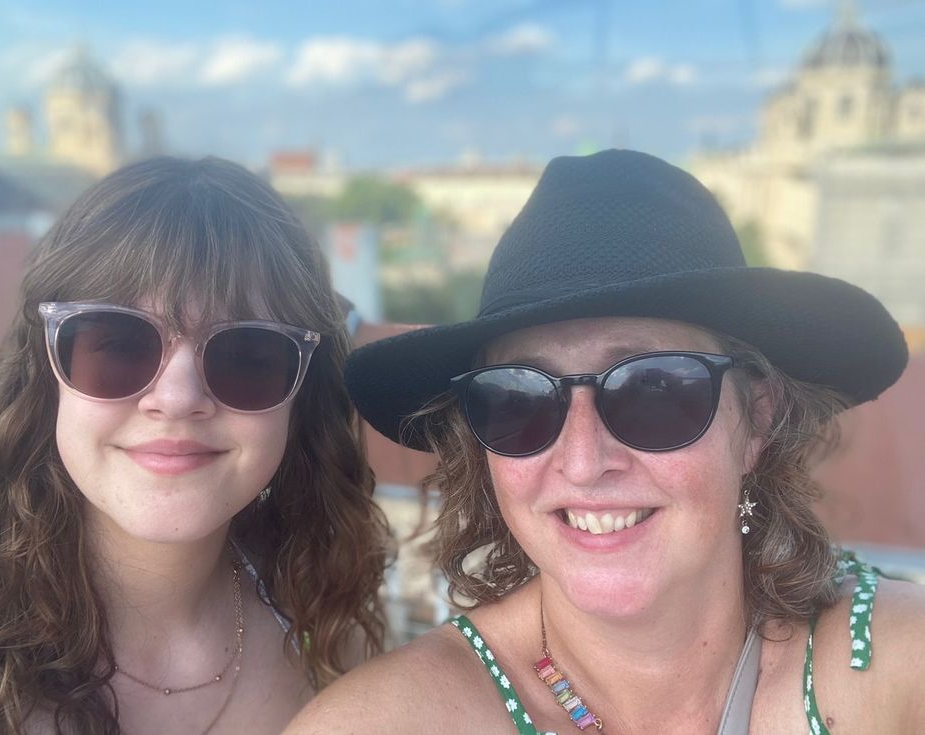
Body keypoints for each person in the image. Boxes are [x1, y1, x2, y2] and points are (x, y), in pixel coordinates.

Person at [285, 149, 925, 734]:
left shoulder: (901, 669)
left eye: (654, 391)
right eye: (519, 399)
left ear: (756, 419)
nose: (585, 461)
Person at [0, 156, 389, 734]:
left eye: (247, 356)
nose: (177, 398)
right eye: (119, 344)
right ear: (45, 375)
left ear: (300, 402)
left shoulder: (334, 645)